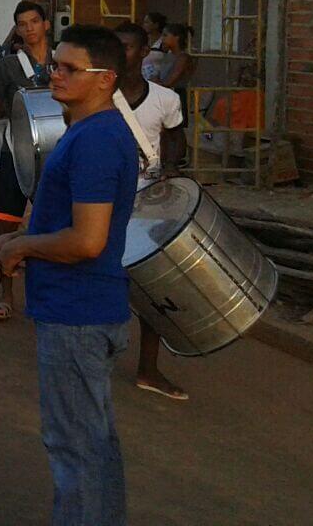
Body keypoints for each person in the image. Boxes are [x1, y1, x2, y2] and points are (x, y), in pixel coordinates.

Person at [0, 25, 136, 526]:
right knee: (92, 443)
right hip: (80, 309)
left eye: (71, 69)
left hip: (78, 315)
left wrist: (24, 246)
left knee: (76, 449)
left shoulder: (97, 140)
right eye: (56, 65)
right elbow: (67, 225)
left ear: (105, 78)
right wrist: (15, 239)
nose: (56, 74)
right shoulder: (86, 131)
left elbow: (88, 241)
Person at [113, 22, 188, 401]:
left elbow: (175, 139)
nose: (121, 53)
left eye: (128, 47)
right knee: (105, 278)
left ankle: (148, 368)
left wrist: (170, 168)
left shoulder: (165, 99)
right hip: (106, 202)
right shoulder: (98, 95)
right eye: (116, 47)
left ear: (144, 52)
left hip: (148, 203)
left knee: (151, 285)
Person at [0, 0, 55, 322]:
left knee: (53, 227)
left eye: (34, 21)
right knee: (7, 224)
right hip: (14, 152)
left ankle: (46, 296)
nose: (29, 28)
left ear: (46, 24)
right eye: (22, 24)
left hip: (55, 155)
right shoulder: (8, 65)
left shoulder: (62, 60)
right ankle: (6, 296)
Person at [139, 12, 168, 83]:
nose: (144, 25)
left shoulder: (163, 41)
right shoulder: (142, 40)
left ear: (156, 25)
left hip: (158, 79)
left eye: (147, 22)